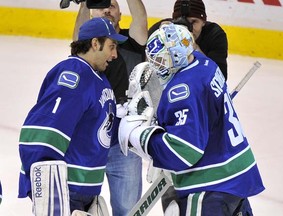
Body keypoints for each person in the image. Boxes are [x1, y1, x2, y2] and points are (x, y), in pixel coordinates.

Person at [119, 23, 265, 215]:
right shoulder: (204, 63)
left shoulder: (182, 90)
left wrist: (141, 136)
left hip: (210, 185)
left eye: (161, 60)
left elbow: (184, 151)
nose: (157, 66)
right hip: (236, 176)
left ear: (177, 55)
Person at [18, 17, 128, 214]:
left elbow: (99, 131)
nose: (114, 54)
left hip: (84, 190)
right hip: (65, 191)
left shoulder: (98, 78)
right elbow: (43, 131)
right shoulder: (73, 75)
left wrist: (134, 130)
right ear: (95, 43)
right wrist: (46, 191)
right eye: (111, 46)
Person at [72, 0, 148, 215]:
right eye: (101, 5)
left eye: (112, 5)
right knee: (79, 207)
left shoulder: (132, 41)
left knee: (127, 210)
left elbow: (141, 20)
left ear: (121, 14)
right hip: (89, 140)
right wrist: (86, 3)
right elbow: (79, 35)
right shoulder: (88, 46)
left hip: (123, 142)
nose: (106, 9)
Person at [148, 0, 228, 81]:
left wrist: (195, 49)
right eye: (181, 22)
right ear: (174, 20)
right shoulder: (160, 33)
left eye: (193, 22)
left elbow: (221, 77)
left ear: (203, 21)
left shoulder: (214, 35)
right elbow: (147, 71)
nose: (187, 28)